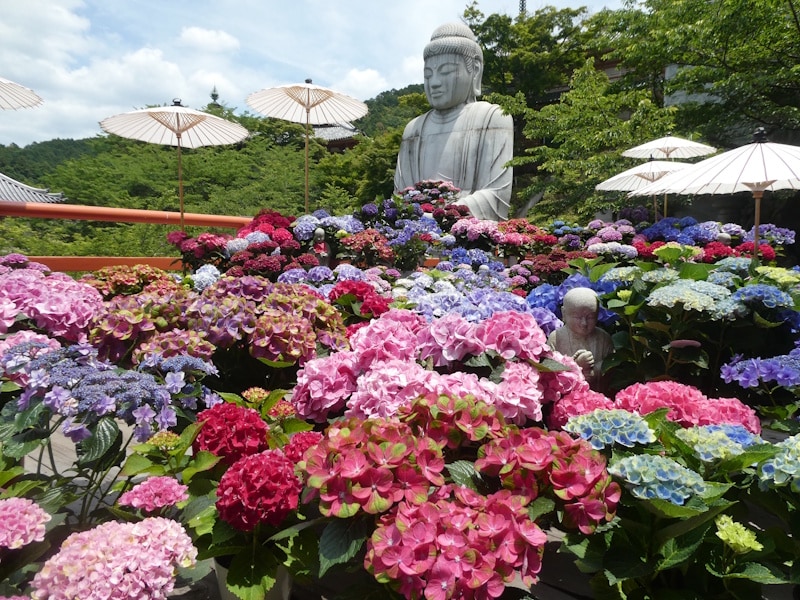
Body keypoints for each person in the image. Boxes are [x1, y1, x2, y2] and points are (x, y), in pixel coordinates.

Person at [394, 22, 514, 221]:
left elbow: (497, 195)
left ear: (474, 71)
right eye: (428, 75)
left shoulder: (492, 118)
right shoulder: (413, 130)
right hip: (414, 232)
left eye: (446, 71)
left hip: (470, 233)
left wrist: (442, 216)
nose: (434, 82)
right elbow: (401, 195)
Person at [547, 287, 613, 390]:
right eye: (577, 317)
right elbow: (549, 372)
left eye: (590, 317)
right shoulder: (556, 338)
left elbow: (611, 369)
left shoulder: (603, 338)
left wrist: (593, 371)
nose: (584, 323)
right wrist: (576, 366)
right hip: (566, 399)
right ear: (564, 314)